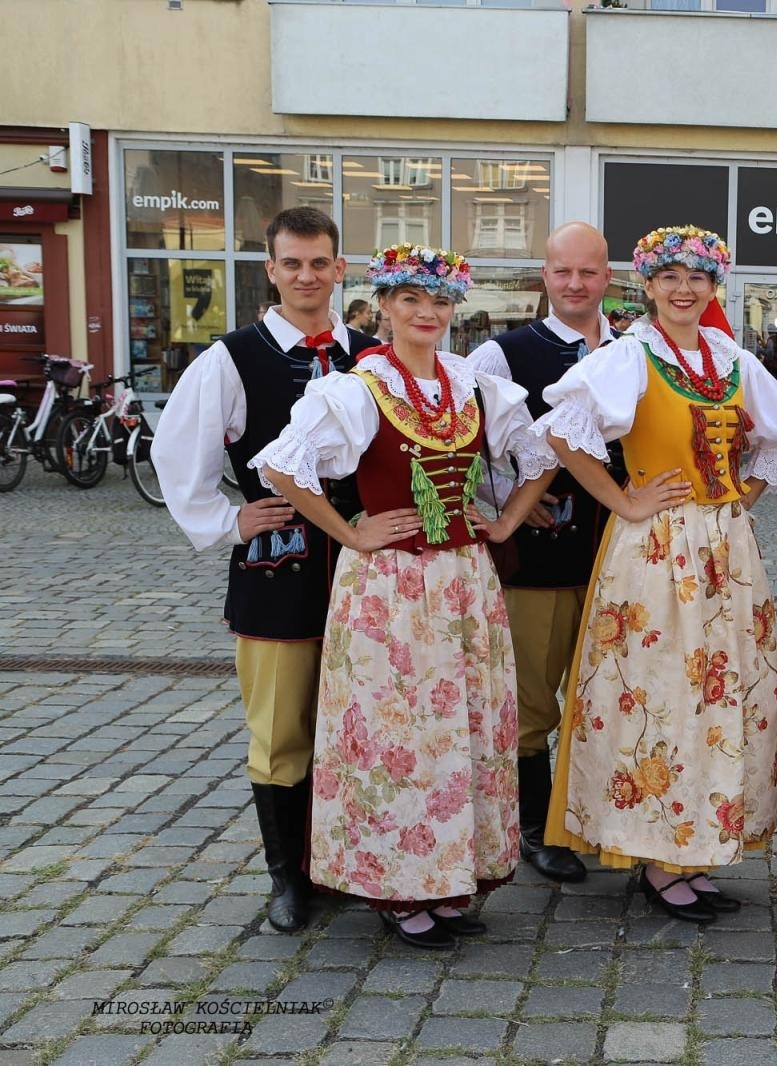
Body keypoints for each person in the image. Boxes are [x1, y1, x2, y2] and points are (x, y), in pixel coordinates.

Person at [250, 242, 558, 949]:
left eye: (439, 302)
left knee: (462, 733)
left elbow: (544, 452)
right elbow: (282, 466)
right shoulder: (358, 387)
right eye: (410, 300)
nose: (427, 313)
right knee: (397, 738)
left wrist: (506, 518)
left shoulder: (471, 383)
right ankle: (397, 886)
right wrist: (350, 534)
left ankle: (447, 876)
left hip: (463, 584)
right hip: (389, 590)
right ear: (383, 306)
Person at [538, 226, 777, 923]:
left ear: (715, 287)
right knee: (661, 692)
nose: (685, 289)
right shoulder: (629, 355)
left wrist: (739, 496)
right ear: (648, 286)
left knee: (723, 694)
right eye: (670, 277)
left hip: (726, 551)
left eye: (698, 277)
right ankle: (658, 855)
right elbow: (563, 432)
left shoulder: (732, 358)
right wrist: (624, 498)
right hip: (655, 551)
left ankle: (696, 844)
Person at [152, 207, 382, 935]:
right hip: (278, 568)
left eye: (320, 263)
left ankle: (358, 865)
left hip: (369, 567)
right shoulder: (232, 356)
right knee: (282, 729)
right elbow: (177, 454)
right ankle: (291, 879)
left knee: (368, 722)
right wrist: (229, 520)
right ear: (272, 270)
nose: (308, 276)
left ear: (340, 268)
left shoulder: (375, 355)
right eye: (293, 264)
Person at [467, 221, 622, 884]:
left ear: (607, 278)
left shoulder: (636, 349)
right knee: (534, 700)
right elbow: (463, 443)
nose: (576, 283)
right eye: (563, 272)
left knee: (614, 697)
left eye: (588, 272)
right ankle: (535, 827)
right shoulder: (503, 355)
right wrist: (494, 506)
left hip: (624, 555)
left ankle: (599, 818)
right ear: (545, 278)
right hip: (539, 557)